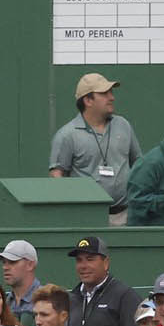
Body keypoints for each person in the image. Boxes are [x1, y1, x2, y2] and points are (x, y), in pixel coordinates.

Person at [49, 73, 142, 226]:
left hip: (126, 215)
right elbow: (57, 175)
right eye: (105, 93)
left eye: (111, 92)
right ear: (88, 100)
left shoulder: (123, 125)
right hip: (86, 219)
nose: (112, 98)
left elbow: (139, 164)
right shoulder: (67, 135)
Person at [66, 236, 142, 326]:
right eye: (79, 260)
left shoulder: (124, 295)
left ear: (106, 263)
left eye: (90, 259)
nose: (83, 266)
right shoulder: (71, 298)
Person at [0, 239, 42, 319]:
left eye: (12, 262)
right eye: (4, 262)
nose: (5, 267)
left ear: (30, 265)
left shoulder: (49, 300)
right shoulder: (3, 303)